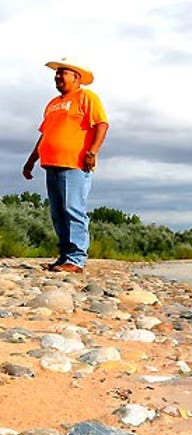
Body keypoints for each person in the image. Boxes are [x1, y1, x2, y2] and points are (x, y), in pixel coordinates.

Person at [22, 57, 109, 274]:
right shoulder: (52, 103)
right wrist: (31, 160)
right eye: (57, 73)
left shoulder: (86, 96)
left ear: (76, 77)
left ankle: (76, 259)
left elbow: (102, 124)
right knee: (58, 213)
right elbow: (45, 134)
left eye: (63, 73)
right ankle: (64, 257)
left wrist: (92, 152)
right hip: (50, 164)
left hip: (75, 164)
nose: (58, 76)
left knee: (73, 210)